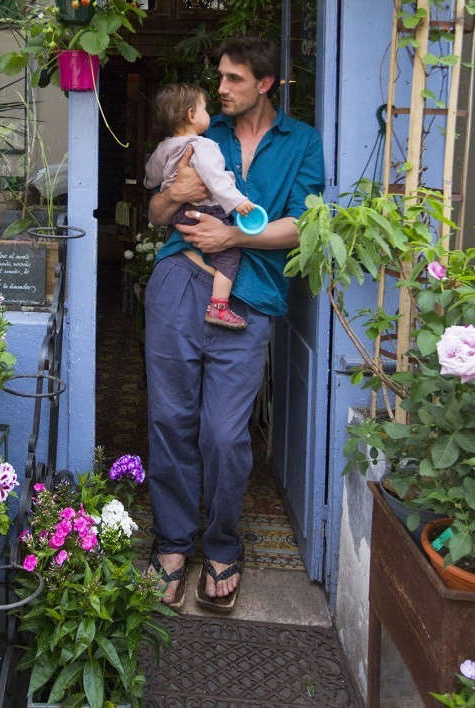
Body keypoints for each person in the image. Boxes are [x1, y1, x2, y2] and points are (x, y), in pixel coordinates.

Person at [144, 36, 324, 612]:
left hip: (248, 298)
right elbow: (156, 212)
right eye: (218, 78)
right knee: (171, 418)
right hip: (179, 281)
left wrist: (233, 235)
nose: (220, 89)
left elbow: (302, 225)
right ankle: (173, 543)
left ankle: (222, 542)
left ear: (265, 84)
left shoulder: (303, 143)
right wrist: (174, 194)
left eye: (233, 80)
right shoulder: (200, 134)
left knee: (224, 433)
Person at [144, 82, 259, 330]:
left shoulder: (163, 147)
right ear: (191, 115)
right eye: (205, 109)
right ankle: (219, 306)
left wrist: (166, 186)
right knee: (230, 255)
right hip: (206, 210)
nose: (209, 114)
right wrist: (237, 202)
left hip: (180, 215)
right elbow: (214, 179)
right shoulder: (203, 145)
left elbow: (151, 177)